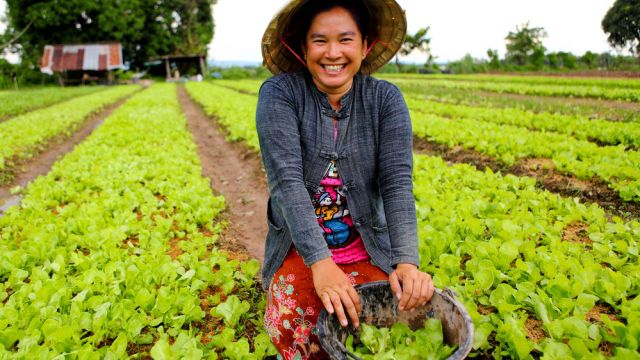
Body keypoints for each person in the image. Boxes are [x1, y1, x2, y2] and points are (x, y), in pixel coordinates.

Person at [256, 0, 434, 358]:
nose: (333, 53)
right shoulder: (280, 95)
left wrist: (407, 262)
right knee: (302, 324)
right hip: (302, 250)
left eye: (345, 40)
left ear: (365, 46)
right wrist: (321, 265)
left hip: (367, 245)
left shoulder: (385, 100)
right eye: (320, 40)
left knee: (400, 315)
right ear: (302, 47)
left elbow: (397, 184)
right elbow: (287, 183)